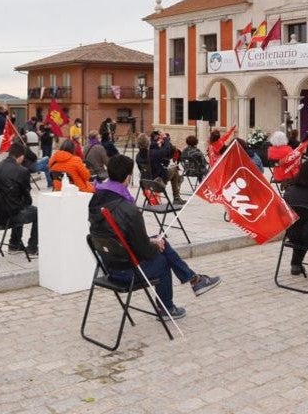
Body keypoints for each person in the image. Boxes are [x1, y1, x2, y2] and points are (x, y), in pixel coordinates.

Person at [88, 155, 220, 319]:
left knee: (160, 240)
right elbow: (146, 252)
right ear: (128, 177)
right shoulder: (128, 209)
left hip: (110, 265)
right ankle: (169, 305)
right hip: (127, 271)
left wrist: (153, 241)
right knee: (163, 259)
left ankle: (194, 279)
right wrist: (155, 245)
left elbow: (118, 235)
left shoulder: (96, 199)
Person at [0, 142, 38, 255]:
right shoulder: (22, 171)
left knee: (16, 205)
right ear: (21, 156)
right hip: (8, 216)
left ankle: (14, 244)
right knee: (36, 212)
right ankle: (32, 248)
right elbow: (28, 199)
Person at [148, 133, 184, 201]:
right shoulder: (156, 153)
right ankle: (176, 196)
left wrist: (159, 142)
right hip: (158, 180)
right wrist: (165, 139)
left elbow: (165, 158)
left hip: (147, 181)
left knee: (173, 169)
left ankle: (178, 184)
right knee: (175, 169)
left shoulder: (145, 153)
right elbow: (166, 150)